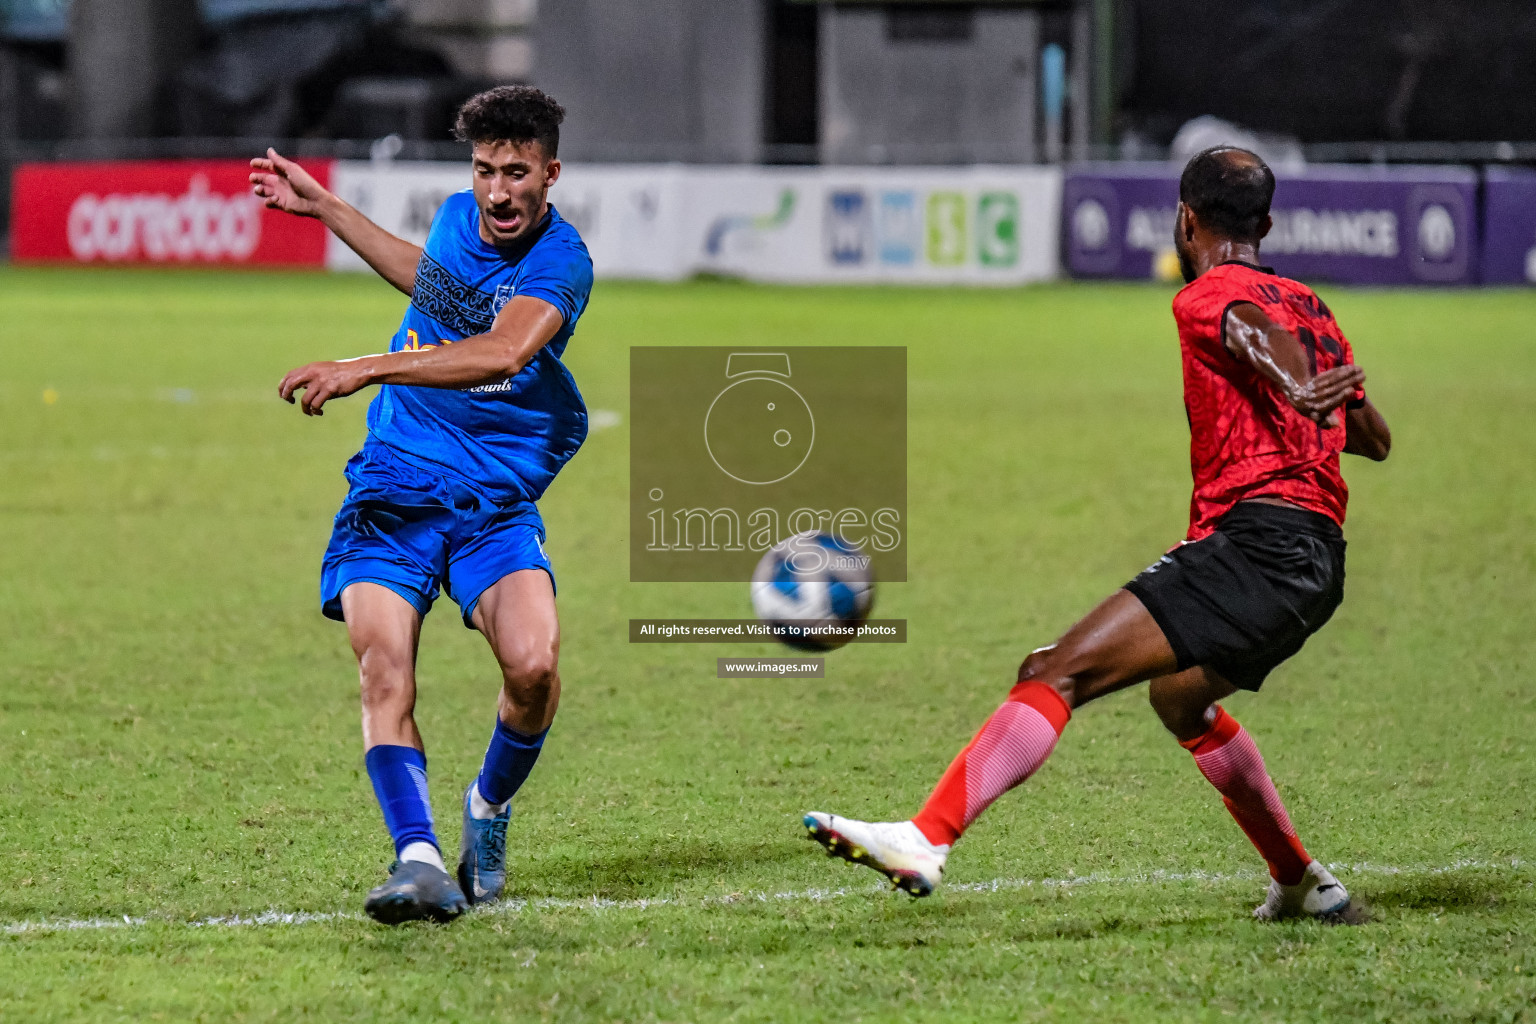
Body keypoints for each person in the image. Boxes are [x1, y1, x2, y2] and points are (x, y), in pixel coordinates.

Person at [804, 146, 1392, 921]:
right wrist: (1315, 390)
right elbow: (1373, 437)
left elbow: (1247, 331)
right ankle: (1302, 882)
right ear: (1269, 223)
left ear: (1186, 220)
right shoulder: (1311, 307)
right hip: (1319, 561)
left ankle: (926, 837)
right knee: (1181, 701)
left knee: (1056, 669)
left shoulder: (1208, 296)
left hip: (1259, 544)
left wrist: (1291, 381)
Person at [249, 86, 593, 924]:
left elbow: (502, 349)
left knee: (535, 667)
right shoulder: (454, 216)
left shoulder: (562, 262)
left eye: (517, 173)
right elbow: (430, 284)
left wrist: (369, 364)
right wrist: (328, 207)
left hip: (493, 496)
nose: (498, 192)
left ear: (551, 174)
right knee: (382, 665)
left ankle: (487, 810)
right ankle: (420, 859)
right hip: (398, 479)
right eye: (484, 171)